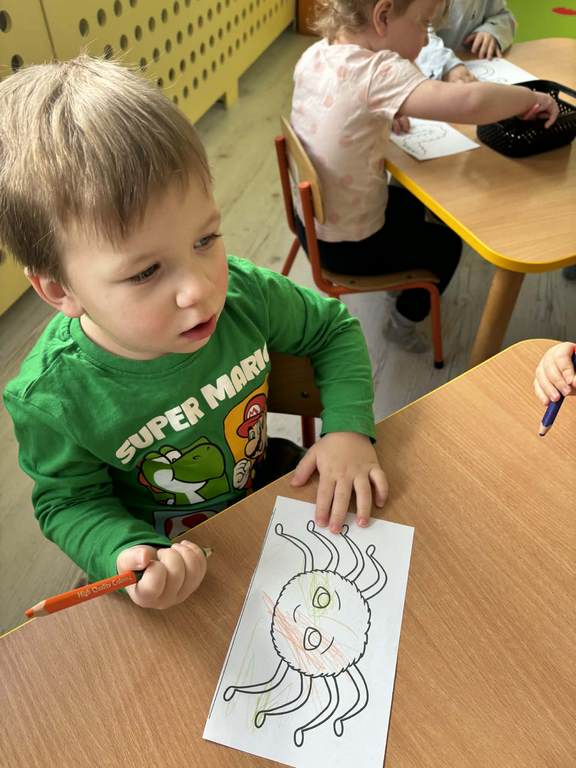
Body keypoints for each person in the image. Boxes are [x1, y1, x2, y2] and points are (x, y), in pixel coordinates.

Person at [1, 57, 388, 611]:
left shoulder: (245, 294)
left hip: (261, 492)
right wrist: (121, 550)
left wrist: (348, 428)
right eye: (145, 272)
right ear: (60, 289)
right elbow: (69, 503)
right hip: (161, 558)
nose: (200, 289)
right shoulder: (53, 397)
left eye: (205, 240)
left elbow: (331, 329)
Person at [291, 0, 558, 352]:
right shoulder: (378, 71)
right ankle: (402, 323)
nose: (425, 39)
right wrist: (528, 98)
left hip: (309, 225)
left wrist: (388, 109)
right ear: (382, 16)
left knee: (413, 204)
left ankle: (398, 283)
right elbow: (470, 103)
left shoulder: (316, 53)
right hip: (347, 249)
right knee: (446, 246)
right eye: (423, 24)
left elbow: (346, 105)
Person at [417, 0, 517, 83]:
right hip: (427, 76)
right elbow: (419, 32)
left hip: (473, 62)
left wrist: (490, 30)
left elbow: (503, 16)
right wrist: (448, 66)